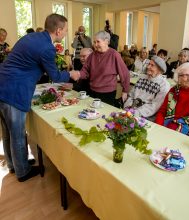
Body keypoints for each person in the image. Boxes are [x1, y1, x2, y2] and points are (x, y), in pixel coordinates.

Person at [0, 13, 76, 182]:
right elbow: (55, 76)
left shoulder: (32, 36)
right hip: (14, 91)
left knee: (7, 132)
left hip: (2, 85)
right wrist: (72, 73)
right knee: (18, 133)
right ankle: (23, 171)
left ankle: (14, 164)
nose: (65, 33)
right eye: (65, 30)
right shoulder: (47, 47)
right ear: (58, 30)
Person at [72, 31, 130, 106]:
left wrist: (125, 91)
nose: (95, 45)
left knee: (105, 115)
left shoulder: (114, 54)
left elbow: (124, 74)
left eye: (98, 42)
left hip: (107, 93)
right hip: (92, 91)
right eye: (94, 42)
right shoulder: (92, 55)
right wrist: (78, 74)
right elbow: (85, 71)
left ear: (106, 41)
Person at [155, 62, 189, 135]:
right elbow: (162, 111)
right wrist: (159, 125)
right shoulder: (173, 91)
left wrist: (169, 129)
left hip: (184, 132)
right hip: (165, 125)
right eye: (186, 75)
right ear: (178, 77)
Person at [124, 56, 170, 121]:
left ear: (159, 70)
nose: (148, 67)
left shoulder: (164, 85)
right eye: (148, 64)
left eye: (152, 65)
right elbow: (131, 95)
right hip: (130, 111)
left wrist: (136, 112)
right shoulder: (142, 77)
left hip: (146, 117)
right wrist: (128, 107)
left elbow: (154, 106)